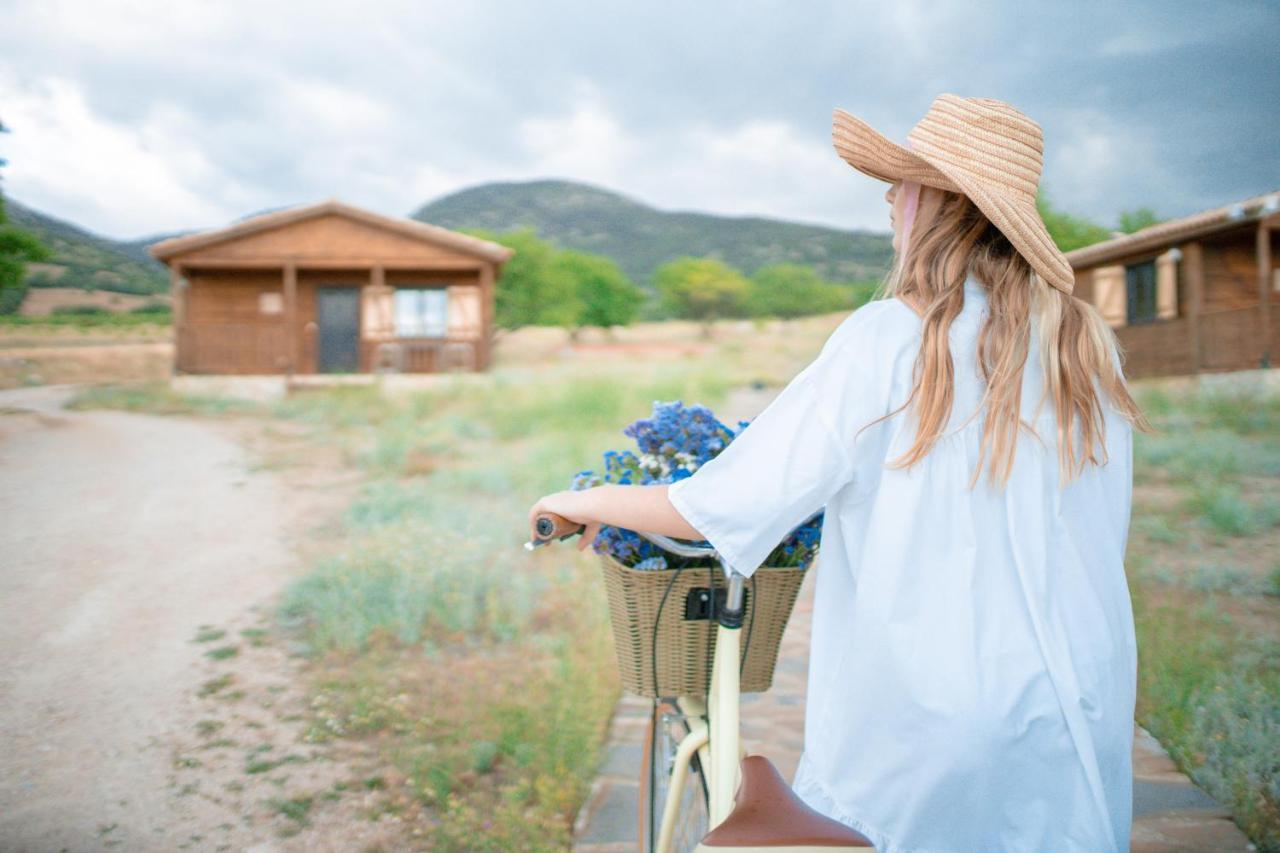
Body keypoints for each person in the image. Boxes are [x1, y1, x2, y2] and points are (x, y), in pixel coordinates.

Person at [527, 93, 1151, 852]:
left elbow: (721, 507)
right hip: (1080, 704)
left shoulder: (891, 339)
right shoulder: (1086, 349)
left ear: (944, 203)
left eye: (906, 180)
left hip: (929, 722)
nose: (891, 197)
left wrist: (585, 497)